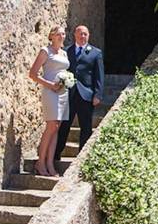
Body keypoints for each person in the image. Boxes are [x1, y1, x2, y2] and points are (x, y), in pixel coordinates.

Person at [54, 25, 104, 166]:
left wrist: (98, 94)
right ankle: (56, 153)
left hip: (86, 95)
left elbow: (99, 76)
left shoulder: (95, 53)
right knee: (64, 126)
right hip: (69, 95)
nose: (83, 37)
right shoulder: (66, 51)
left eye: (85, 34)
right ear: (75, 35)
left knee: (86, 127)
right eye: (80, 34)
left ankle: (82, 158)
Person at [27, 25, 69, 177]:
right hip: (50, 91)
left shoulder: (64, 53)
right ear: (51, 36)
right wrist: (50, 85)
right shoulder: (46, 51)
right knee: (51, 125)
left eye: (63, 34)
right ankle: (40, 162)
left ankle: (50, 163)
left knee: (56, 127)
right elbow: (33, 74)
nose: (61, 36)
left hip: (63, 93)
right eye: (58, 34)